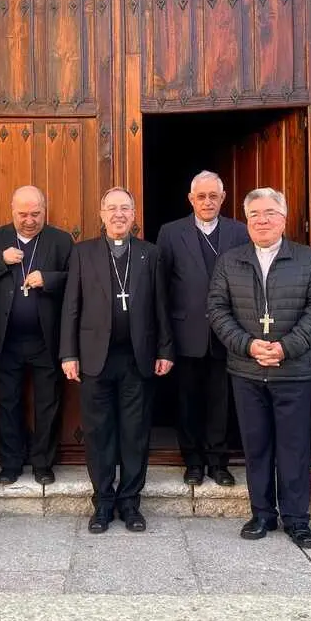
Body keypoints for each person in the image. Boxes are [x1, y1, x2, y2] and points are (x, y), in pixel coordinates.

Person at [207, 187, 311, 549]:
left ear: (284, 218)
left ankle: (297, 519)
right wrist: (247, 345)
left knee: (293, 447)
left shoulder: (308, 260)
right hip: (246, 370)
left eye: (270, 213)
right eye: (255, 215)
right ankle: (262, 513)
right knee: (256, 445)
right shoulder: (231, 261)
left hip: (293, 371)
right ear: (247, 222)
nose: (262, 220)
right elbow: (217, 309)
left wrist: (285, 347)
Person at [60, 187, 174, 534]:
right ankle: (103, 504)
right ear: (101, 213)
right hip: (96, 359)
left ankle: (130, 503)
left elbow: (161, 307)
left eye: (125, 208)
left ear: (134, 215)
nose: (119, 214)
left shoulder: (150, 254)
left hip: (137, 359)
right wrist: (69, 353)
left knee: (135, 433)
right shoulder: (83, 253)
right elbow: (71, 307)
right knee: (99, 433)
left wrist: (165, 350)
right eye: (112, 208)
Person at [157, 170, 250, 487]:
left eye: (214, 196)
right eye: (201, 196)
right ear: (190, 199)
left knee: (221, 402)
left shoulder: (239, 232)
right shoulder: (171, 233)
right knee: (188, 401)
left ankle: (218, 462)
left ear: (223, 198)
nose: (207, 202)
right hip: (187, 332)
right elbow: (162, 287)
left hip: (228, 333)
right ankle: (193, 461)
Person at [0, 186, 74, 486]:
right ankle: (11, 463)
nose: (29, 220)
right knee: (8, 403)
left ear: (45, 210)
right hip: (6, 339)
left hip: (46, 339)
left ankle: (43, 463)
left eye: (35, 213)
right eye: (23, 214)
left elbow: (77, 279)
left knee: (47, 403)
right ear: (12, 210)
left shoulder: (60, 240)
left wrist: (50, 279)